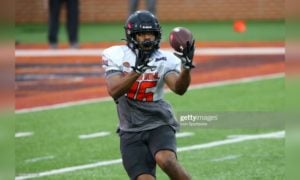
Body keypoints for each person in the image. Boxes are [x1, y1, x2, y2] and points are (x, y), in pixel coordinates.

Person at [102, 10, 194, 180]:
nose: (147, 38)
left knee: (165, 160)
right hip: (129, 128)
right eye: (142, 34)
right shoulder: (116, 55)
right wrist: (137, 70)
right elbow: (114, 90)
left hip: (158, 121)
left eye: (150, 33)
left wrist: (186, 69)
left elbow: (179, 89)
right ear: (131, 36)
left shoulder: (165, 59)